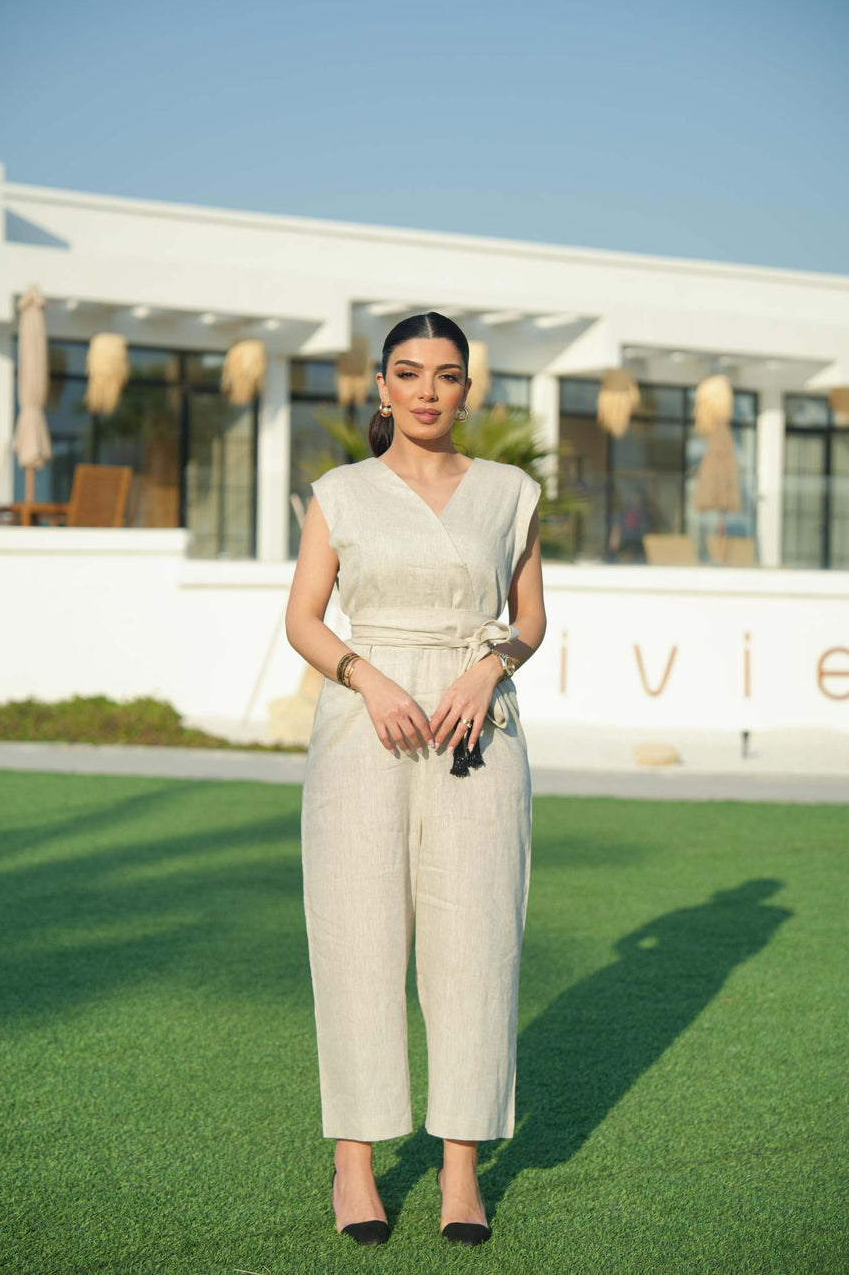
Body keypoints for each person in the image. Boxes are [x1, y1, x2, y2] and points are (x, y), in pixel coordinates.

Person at [284, 311, 546, 1247]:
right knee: (357, 937)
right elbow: (305, 619)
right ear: (381, 388)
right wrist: (366, 676)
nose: (428, 390)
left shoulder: (510, 492)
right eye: (409, 372)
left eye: (446, 374)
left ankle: (460, 1169)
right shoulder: (340, 493)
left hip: (481, 730)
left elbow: (530, 620)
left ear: (467, 390)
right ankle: (354, 1164)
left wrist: (489, 669)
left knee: (475, 943)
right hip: (367, 726)